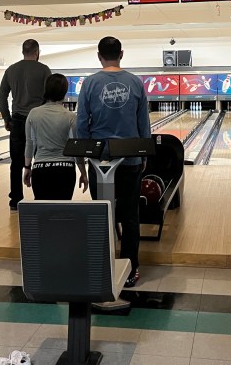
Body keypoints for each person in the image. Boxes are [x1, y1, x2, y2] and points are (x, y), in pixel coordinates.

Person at [76, 36, 151, 287]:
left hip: (99, 161)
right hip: (129, 158)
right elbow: (144, 124)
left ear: (99, 56)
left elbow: (80, 125)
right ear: (121, 53)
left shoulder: (89, 83)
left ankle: (101, 265)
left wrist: (85, 159)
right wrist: (143, 154)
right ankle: (131, 268)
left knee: (100, 214)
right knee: (130, 215)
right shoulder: (136, 83)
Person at [0, 39, 51, 211]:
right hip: (38, 120)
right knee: (40, 160)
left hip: (18, 121)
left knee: (16, 162)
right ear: (37, 52)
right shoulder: (44, 69)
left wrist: (7, 118)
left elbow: (2, 96)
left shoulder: (11, 70)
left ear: (23, 51)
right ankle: (40, 197)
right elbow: (50, 95)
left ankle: (15, 200)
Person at [23, 73, 88, 200]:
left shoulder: (33, 114)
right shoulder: (70, 116)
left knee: (43, 214)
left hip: (40, 169)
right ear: (64, 92)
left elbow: (30, 144)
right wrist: (83, 173)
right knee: (62, 213)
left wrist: (27, 168)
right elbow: (76, 149)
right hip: (65, 171)